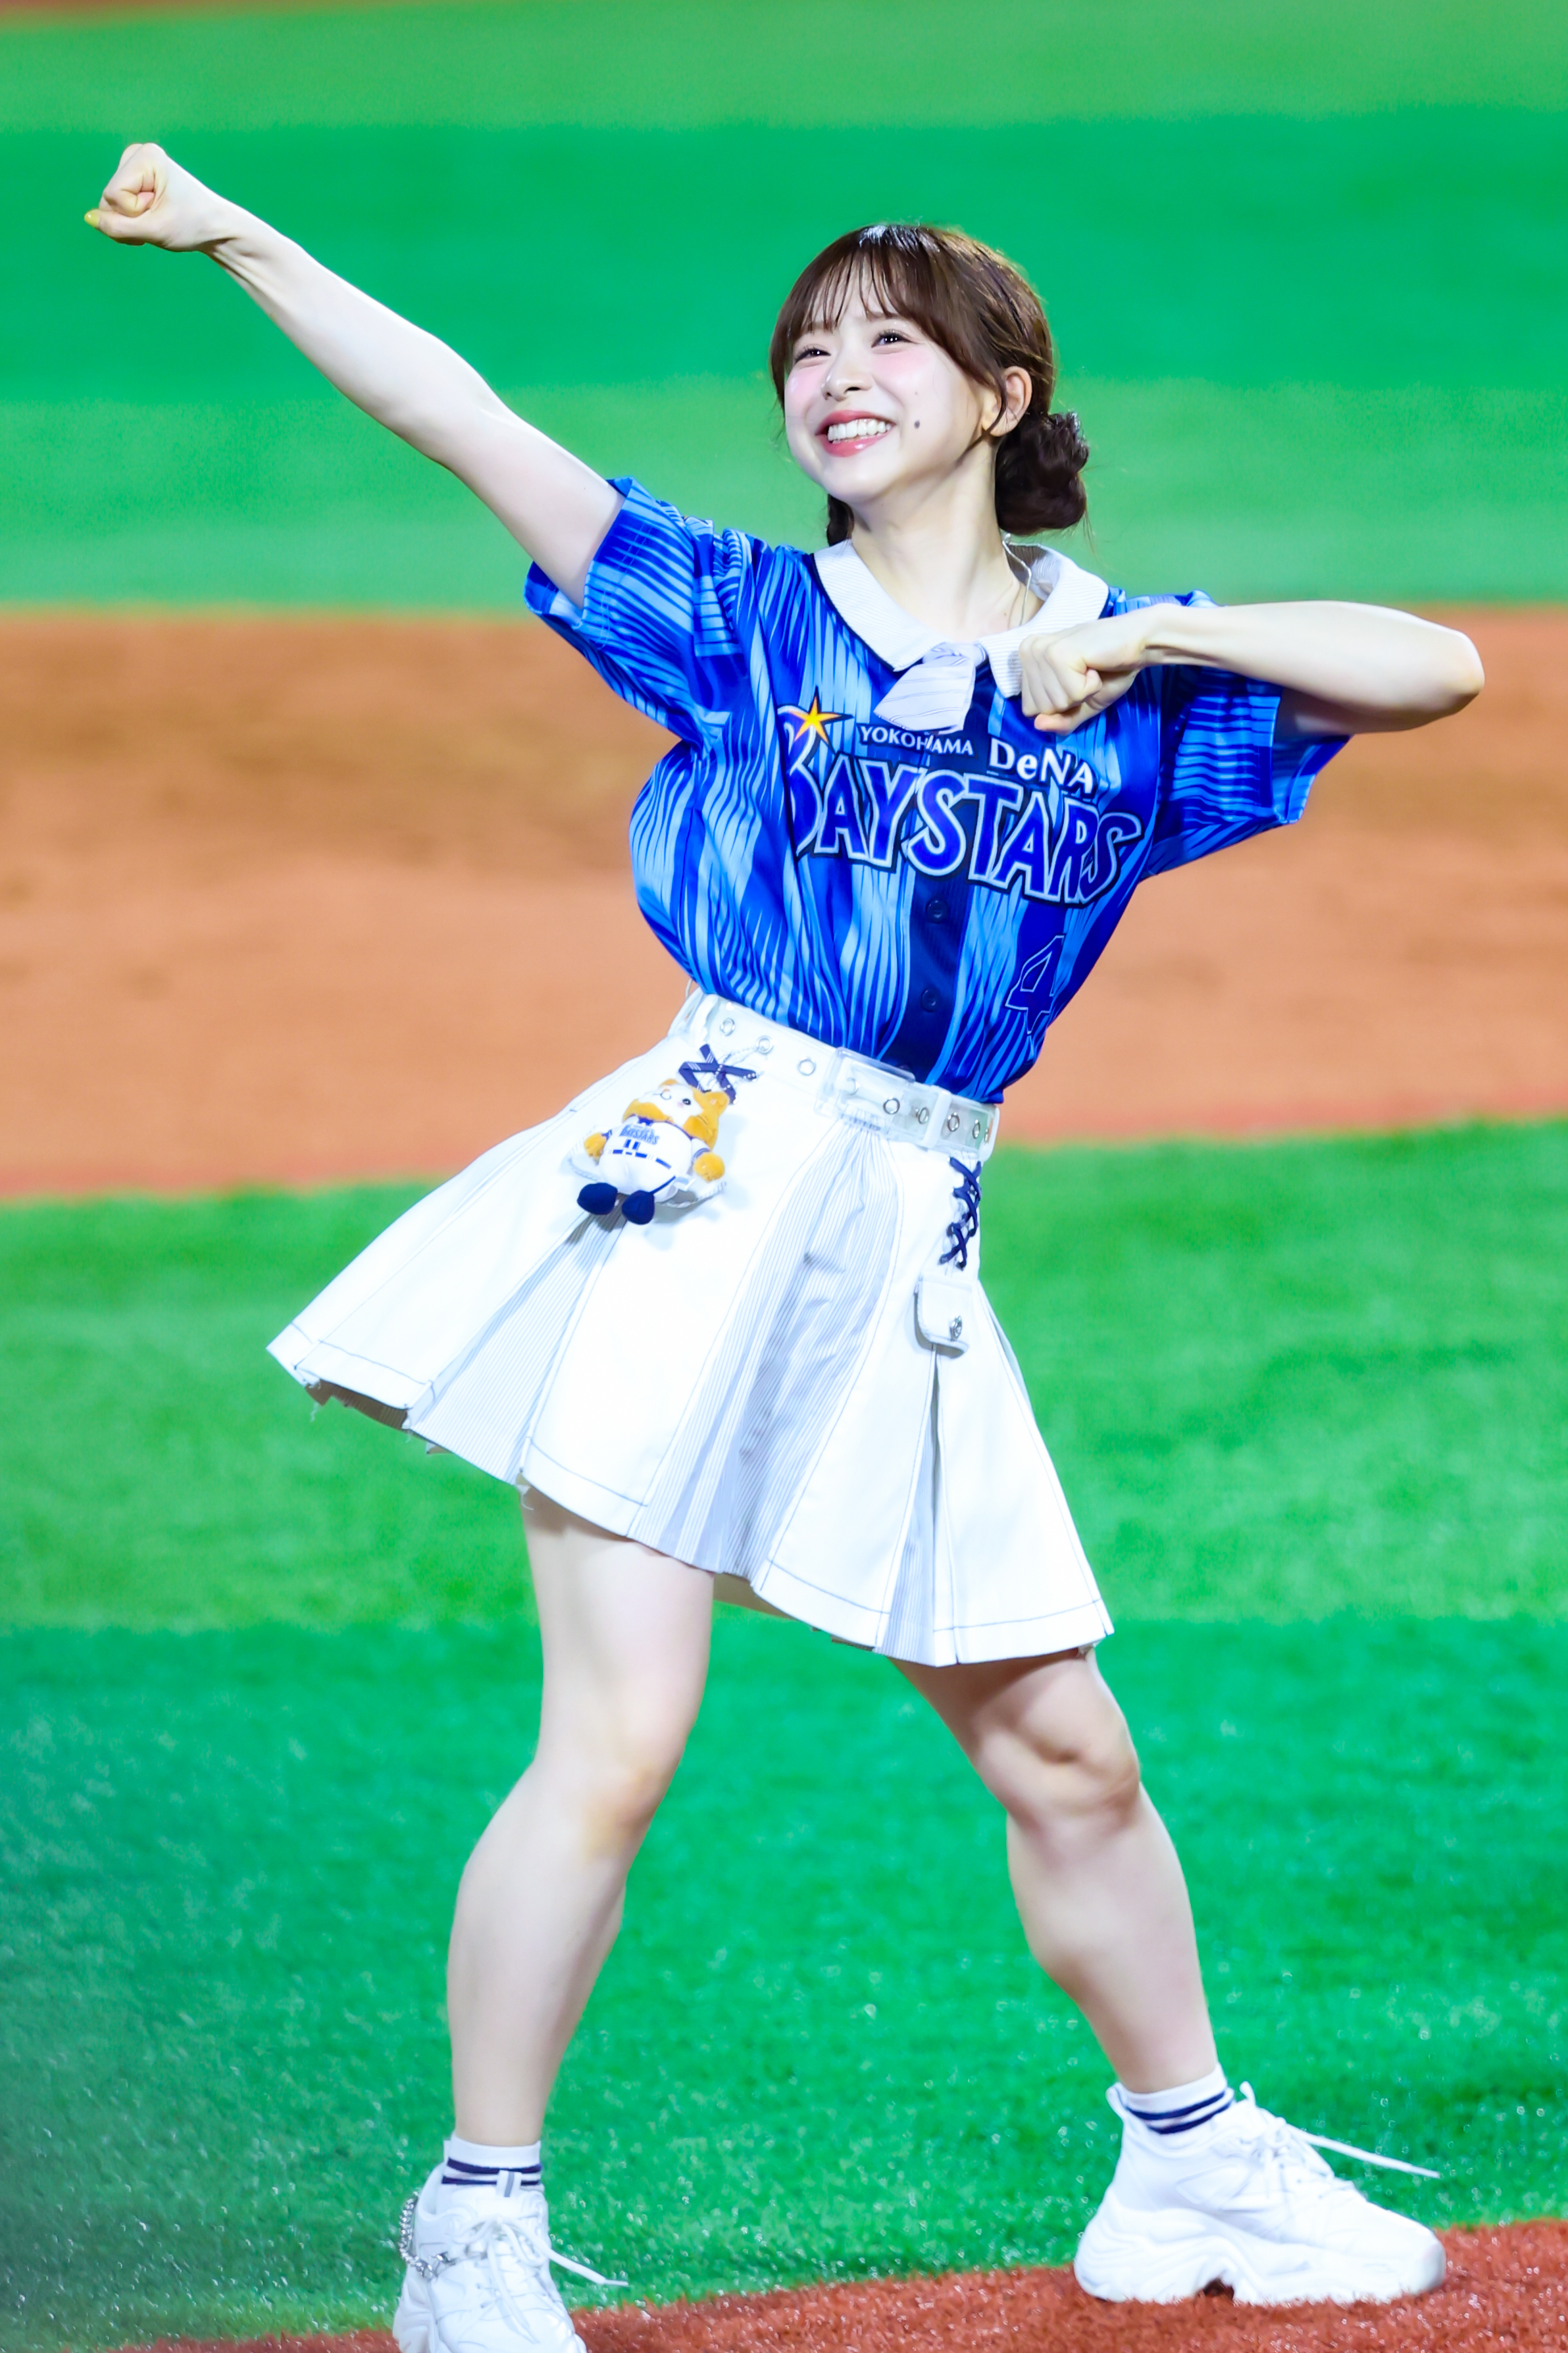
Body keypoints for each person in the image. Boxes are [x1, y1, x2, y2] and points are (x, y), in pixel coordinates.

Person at [88, 143, 1481, 2346]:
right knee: (617, 1740)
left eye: (890, 341)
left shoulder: (1129, 690)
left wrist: (1142, 634)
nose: (835, 375)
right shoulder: (744, 621)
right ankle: (472, 2228)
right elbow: (456, 416)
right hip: (703, 1187)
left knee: (1067, 1753)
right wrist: (245, 239)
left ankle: (1193, 2163)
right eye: (807, 350)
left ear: (1005, 391)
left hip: (912, 1236)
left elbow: (1439, 669)